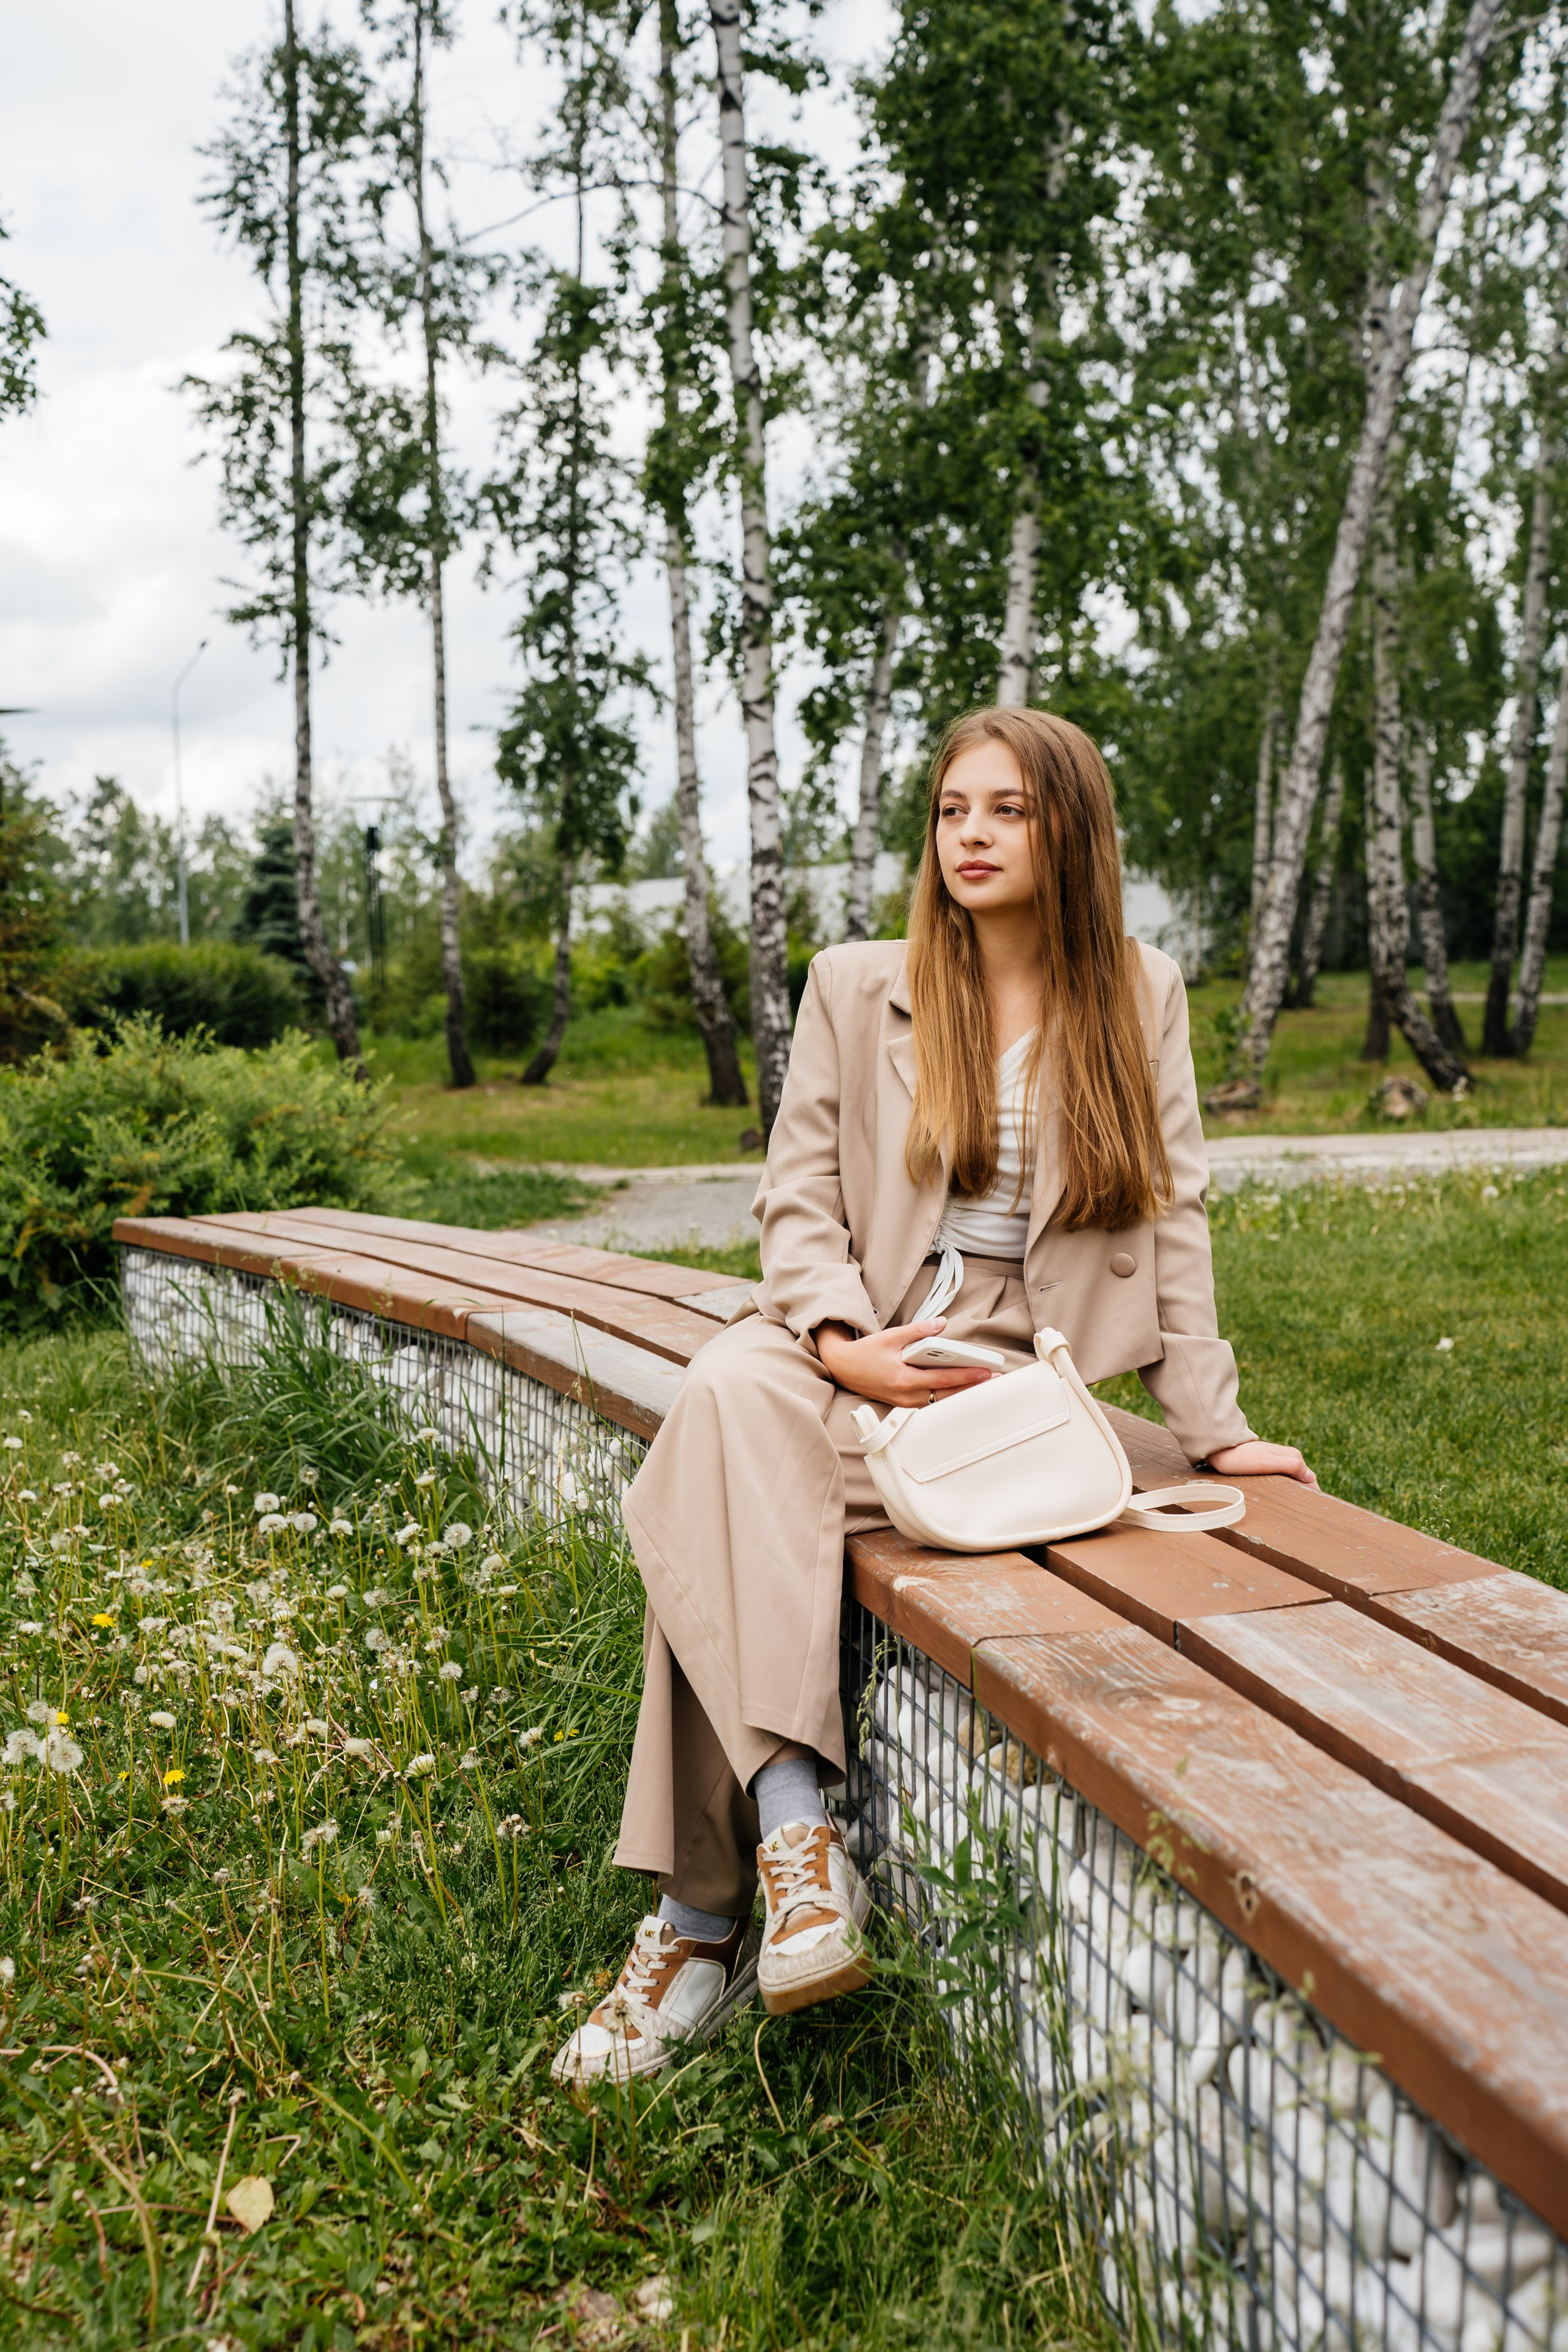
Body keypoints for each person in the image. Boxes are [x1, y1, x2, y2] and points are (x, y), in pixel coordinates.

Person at [552, 706, 1314, 2087]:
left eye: (1006, 811)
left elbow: (1177, 1215)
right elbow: (792, 1198)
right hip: (860, 1355)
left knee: (717, 1476)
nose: (968, 835)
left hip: (1026, 1389)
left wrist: (1214, 1426)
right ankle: (796, 1848)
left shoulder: (1136, 991)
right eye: (952, 810)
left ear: (1067, 831)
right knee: (740, 1391)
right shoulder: (857, 982)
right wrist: (842, 1343)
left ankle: (698, 1923)